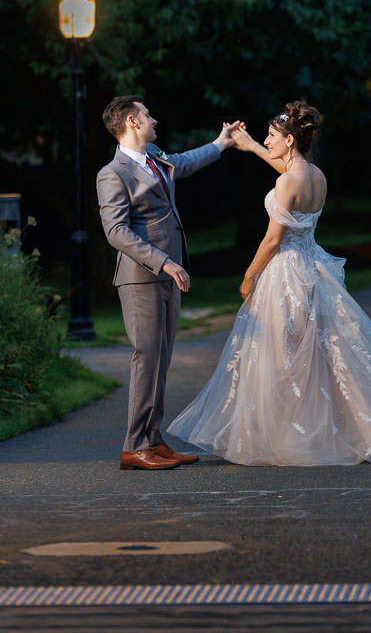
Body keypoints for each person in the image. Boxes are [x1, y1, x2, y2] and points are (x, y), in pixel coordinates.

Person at [167, 102, 371, 465]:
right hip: (312, 269)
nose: (267, 141)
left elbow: (272, 240)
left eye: (272, 137)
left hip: (285, 273)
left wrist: (249, 276)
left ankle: (292, 435)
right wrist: (250, 146)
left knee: (284, 356)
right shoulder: (316, 176)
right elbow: (287, 170)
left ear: (289, 139)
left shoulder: (287, 181)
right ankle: (336, 428)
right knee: (320, 354)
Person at [96, 95, 238, 471]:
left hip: (168, 275)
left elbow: (186, 163)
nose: (154, 119)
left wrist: (220, 144)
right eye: (147, 114)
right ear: (131, 121)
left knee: (161, 361)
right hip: (141, 278)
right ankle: (133, 447)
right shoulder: (113, 173)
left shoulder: (154, 157)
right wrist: (164, 262)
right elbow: (116, 232)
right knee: (146, 359)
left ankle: (154, 441)